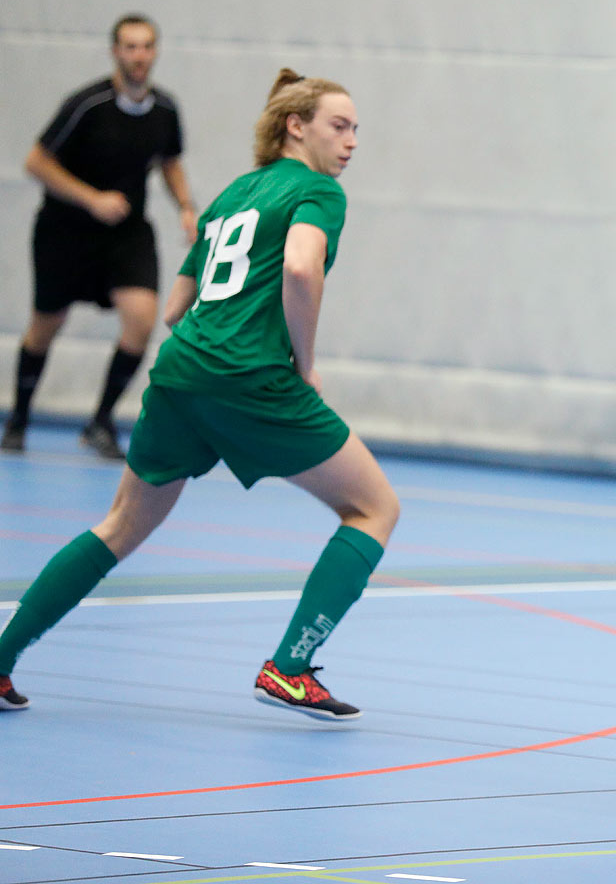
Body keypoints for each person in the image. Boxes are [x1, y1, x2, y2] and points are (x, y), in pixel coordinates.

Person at [0, 69, 399, 721]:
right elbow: (301, 266)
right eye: (339, 125)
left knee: (121, 525)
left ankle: (0, 659)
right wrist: (304, 363)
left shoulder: (234, 194)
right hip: (251, 379)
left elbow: (175, 308)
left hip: (180, 371)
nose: (352, 141)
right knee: (373, 507)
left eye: (357, 129)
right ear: (295, 127)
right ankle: (290, 668)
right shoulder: (318, 192)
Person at [3, 13, 198, 460]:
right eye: (130, 47)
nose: (139, 56)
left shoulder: (166, 110)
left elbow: (170, 161)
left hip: (125, 232)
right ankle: (18, 419)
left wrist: (186, 207)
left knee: (142, 317)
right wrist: (90, 198)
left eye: (147, 46)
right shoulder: (86, 105)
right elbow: (36, 162)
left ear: (155, 52)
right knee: (45, 327)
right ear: (115, 52)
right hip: (64, 232)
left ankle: (101, 421)